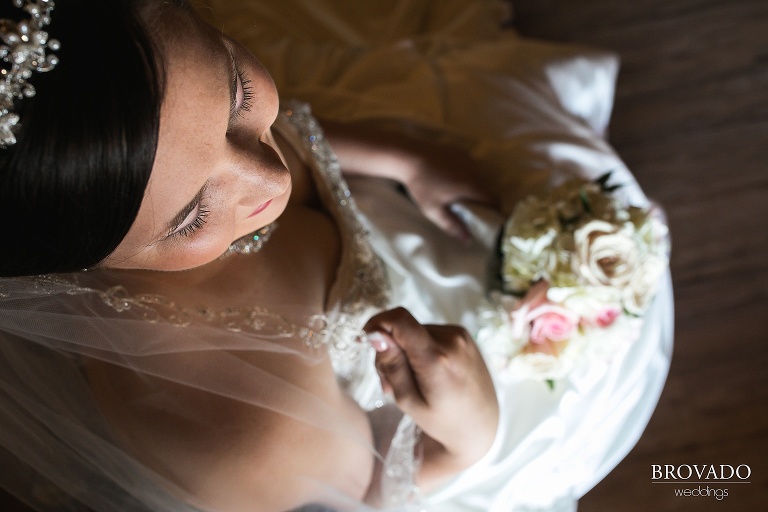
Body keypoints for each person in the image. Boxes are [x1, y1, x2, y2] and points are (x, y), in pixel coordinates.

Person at [0, 1, 674, 511]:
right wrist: (472, 432)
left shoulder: (171, 134)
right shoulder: (239, 429)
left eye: (236, 96)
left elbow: (298, 136)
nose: (271, 179)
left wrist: (406, 160)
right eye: (191, 216)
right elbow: (377, 493)